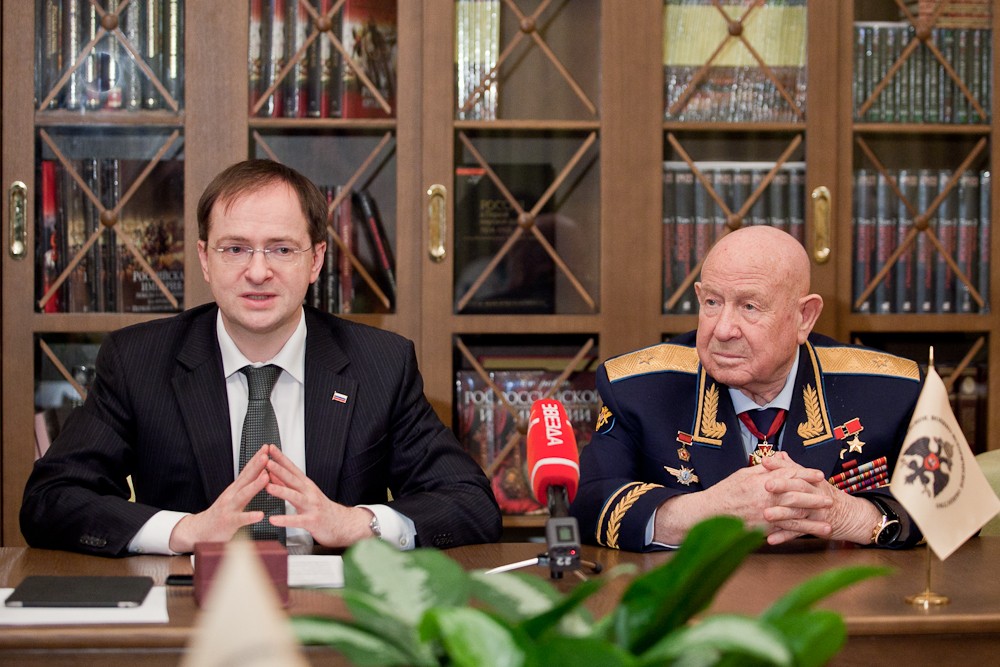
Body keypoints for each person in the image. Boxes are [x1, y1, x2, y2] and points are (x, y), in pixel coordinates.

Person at [21, 159, 501, 556]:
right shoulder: (138, 361)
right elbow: (51, 499)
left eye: (281, 249)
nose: (257, 271)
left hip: (332, 616)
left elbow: (471, 502)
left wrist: (358, 524)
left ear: (315, 260)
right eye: (235, 249)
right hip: (191, 611)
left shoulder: (380, 364)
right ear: (205, 259)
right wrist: (184, 531)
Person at [571, 225, 923, 552]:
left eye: (749, 307)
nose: (723, 330)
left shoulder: (892, 391)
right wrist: (708, 512)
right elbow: (588, 504)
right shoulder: (638, 389)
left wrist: (850, 515)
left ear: (804, 317)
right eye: (712, 302)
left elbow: (946, 505)